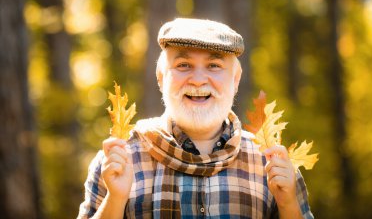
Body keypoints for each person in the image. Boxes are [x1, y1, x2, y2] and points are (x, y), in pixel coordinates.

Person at [77, 18, 314, 219]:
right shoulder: (118, 161)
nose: (198, 79)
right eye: (183, 65)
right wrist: (115, 200)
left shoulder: (272, 164)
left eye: (213, 65)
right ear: (161, 77)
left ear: (236, 79)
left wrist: (287, 205)